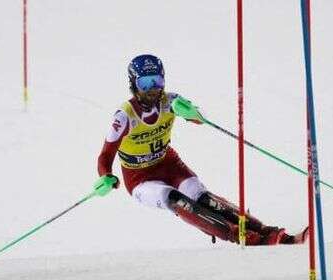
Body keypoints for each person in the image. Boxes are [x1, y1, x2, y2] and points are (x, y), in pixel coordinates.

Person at [94, 54, 307, 246]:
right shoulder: (124, 116)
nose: (152, 89)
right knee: (173, 198)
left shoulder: (170, 101)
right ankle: (245, 238)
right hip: (139, 178)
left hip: (169, 165)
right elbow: (105, 155)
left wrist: (190, 112)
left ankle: (274, 234)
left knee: (200, 197)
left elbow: (199, 118)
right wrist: (106, 177)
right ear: (133, 84)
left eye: (157, 81)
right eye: (145, 83)